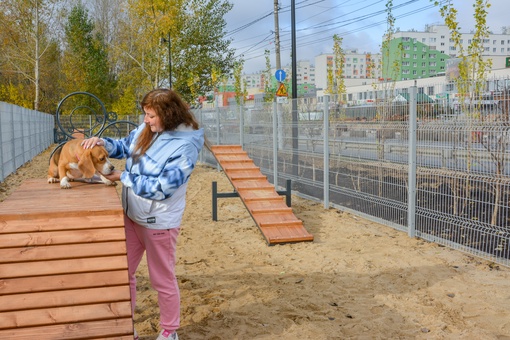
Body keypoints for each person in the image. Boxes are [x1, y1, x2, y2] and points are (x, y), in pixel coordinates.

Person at [82, 88, 204, 340]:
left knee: (162, 280)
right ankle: (128, 325)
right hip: (132, 215)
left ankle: (169, 331)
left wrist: (124, 177)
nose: (146, 120)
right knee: (122, 273)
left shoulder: (186, 145)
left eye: (150, 115)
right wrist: (102, 142)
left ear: (168, 115)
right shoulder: (148, 129)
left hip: (159, 221)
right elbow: (126, 146)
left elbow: (163, 188)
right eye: (145, 114)